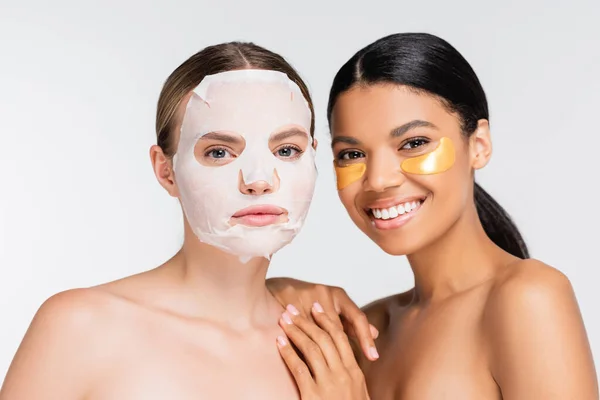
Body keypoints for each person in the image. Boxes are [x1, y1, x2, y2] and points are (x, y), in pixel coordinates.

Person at [0, 42, 368, 400]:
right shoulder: (81, 327)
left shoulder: (325, 344)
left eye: (286, 150)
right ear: (166, 171)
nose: (258, 179)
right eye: (219, 152)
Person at [267, 33, 598, 399]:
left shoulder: (528, 297)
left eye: (413, 143)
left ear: (479, 145)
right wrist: (270, 292)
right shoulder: (368, 331)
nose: (378, 179)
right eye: (351, 154)